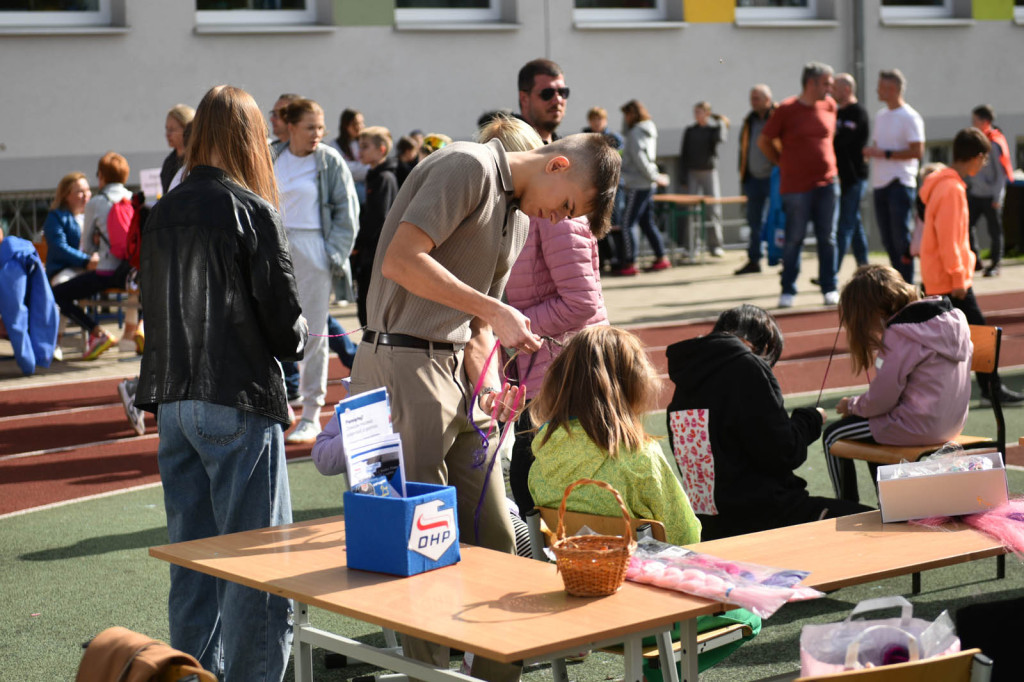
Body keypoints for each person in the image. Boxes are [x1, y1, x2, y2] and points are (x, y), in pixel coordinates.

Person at [348, 131, 620, 681]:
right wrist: (494, 311)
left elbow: (477, 323)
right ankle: (430, 673)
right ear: (557, 164)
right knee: (419, 542)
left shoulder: (520, 216)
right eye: (566, 204)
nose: (556, 218)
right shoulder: (467, 165)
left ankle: (496, 674)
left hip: (455, 373)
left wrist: (491, 383)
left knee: (498, 535)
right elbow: (401, 260)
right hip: (401, 361)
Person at [135, 84, 308, 682]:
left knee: (194, 565)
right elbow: (286, 328)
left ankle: (191, 675)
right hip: (235, 399)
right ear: (250, 138)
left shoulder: (162, 212)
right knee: (258, 569)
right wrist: (305, 335)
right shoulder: (252, 208)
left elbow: (153, 316)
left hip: (174, 401)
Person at [478, 115, 609, 516]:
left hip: (563, 368)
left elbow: (581, 302)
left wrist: (508, 326)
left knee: (541, 477)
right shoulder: (521, 212)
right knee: (529, 475)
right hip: (538, 368)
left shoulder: (554, 218)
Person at [666, 304, 871, 540]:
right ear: (765, 346)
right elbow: (784, 451)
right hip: (766, 516)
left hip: (709, 524)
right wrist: (810, 419)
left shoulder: (687, 378)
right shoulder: (746, 367)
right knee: (875, 525)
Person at [528, 326, 700, 545]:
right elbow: (685, 534)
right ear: (632, 384)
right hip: (637, 573)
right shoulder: (639, 458)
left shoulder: (543, 459)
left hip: (569, 574)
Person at [822, 264, 972, 502]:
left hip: (916, 426)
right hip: (953, 424)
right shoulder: (953, 318)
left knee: (833, 435)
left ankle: (846, 504)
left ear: (871, 311)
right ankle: (889, 502)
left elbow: (882, 399)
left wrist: (851, 406)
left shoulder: (900, 333)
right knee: (872, 430)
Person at [917, 127, 1024, 406]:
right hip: (950, 280)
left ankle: (979, 389)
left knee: (954, 340)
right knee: (981, 336)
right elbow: (950, 238)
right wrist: (958, 278)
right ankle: (990, 390)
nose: (985, 164)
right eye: (985, 159)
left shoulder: (941, 184)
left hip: (940, 276)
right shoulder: (951, 188)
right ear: (975, 157)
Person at [273, 97, 359, 443]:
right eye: (310, 127)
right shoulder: (271, 155)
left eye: (320, 127)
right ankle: (281, 402)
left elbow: (347, 211)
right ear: (290, 126)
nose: (317, 134)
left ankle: (312, 413)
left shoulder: (329, 160)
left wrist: (332, 255)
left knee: (314, 331)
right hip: (275, 246)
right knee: (273, 327)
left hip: (313, 249)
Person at [758, 62, 840, 308]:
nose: (830, 87)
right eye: (826, 82)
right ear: (811, 83)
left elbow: (828, 139)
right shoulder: (787, 109)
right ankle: (788, 289)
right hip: (796, 187)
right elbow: (764, 141)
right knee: (794, 238)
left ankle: (830, 286)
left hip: (828, 183)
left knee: (828, 238)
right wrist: (782, 162)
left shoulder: (830, 105)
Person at [51, 152, 135, 360]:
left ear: (102, 177)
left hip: (107, 272)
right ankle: (137, 332)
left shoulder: (96, 203)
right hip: (130, 271)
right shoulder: (132, 198)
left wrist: (97, 244)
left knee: (58, 294)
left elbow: (86, 247)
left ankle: (97, 332)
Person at [864, 68, 925, 284]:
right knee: (888, 240)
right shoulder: (881, 116)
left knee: (901, 240)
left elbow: (918, 151)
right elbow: (877, 145)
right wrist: (870, 153)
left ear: (892, 89)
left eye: (881, 86)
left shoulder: (910, 116)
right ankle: (896, 285)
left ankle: (907, 286)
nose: (877, 90)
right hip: (880, 183)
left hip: (900, 183)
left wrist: (886, 154)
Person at [613, 99, 670, 276]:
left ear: (632, 114)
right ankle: (661, 257)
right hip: (646, 183)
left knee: (627, 223)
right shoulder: (646, 129)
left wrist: (654, 176)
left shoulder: (637, 131)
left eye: (626, 115)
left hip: (638, 184)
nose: (625, 119)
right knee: (647, 222)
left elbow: (640, 158)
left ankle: (630, 262)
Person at [353, 125, 398, 328]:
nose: (360, 151)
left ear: (381, 150)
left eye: (365, 146)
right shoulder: (374, 176)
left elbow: (378, 219)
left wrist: (358, 243)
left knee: (369, 307)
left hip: (376, 254)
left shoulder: (383, 178)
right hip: (370, 252)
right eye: (359, 146)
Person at [967, 105, 1013, 278]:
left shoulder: (994, 143)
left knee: (995, 231)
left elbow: (1001, 173)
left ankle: (995, 264)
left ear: (985, 122)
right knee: (966, 226)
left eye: (975, 121)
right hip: (976, 194)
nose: (973, 124)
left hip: (990, 196)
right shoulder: (976, 141)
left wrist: (998, 196)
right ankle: (976, 260)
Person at [678, 101, 729, 257]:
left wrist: (720, 121)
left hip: (709, 172)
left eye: (700, 111)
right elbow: (684, 154)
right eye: (695, 112)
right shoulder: (690, 131)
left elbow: (721, 138)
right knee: (691, 211)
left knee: (712, 209)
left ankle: (715, 246)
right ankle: (691, 246)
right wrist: (683, 178)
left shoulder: (712, 131)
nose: (697, 115)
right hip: (693, 172)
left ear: (707, 113)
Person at [735, 85, 775, 275]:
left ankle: (781, 260)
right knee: (754, 222)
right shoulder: (749, 120)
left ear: (768, 99)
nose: (753, 102)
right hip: (752, 179)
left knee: (776, 220)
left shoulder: (776, 117)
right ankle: (754, 260)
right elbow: (743, 148)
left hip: (773, 177)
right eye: (752, 98)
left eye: (757, 98)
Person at [833, 73, 870, 269]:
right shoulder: (837, 113)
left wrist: (835, 136)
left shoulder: (858, 112)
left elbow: (842, 141)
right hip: (841, 178)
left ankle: (830, 273)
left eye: (835, 87)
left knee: (844, 225)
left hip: (855, 177)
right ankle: (864, 266)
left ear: (847, 89)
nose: (831, 91)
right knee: (854, 225)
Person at [43, 172, 96, 285]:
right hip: (65, 270)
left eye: (87, 190)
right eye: (80, 192)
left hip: (91, 268)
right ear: (66, 195)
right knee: (62, 284)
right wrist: (86, 261)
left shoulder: (92, 216)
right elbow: (58, 247)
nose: (86, 195)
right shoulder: (56, 216)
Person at [517, 58, 567, 143]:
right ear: (524, 99)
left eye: (562, 92)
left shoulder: (564, 148)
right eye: (547, 93)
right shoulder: (505, 148)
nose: (558, 100)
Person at [329, 108, 370, 204]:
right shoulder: (335, 145)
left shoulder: (365, 142)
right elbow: (343, 169)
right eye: (356, 123)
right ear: (346, 125)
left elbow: (371, 166)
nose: (360, 127)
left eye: (362, 123)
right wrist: (362, 168)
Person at [160, 104, 195, 196]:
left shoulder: (197, 160)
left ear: (187, 129)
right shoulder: (169, 162)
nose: (167, 134)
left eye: (172, 129)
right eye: (167, 129)